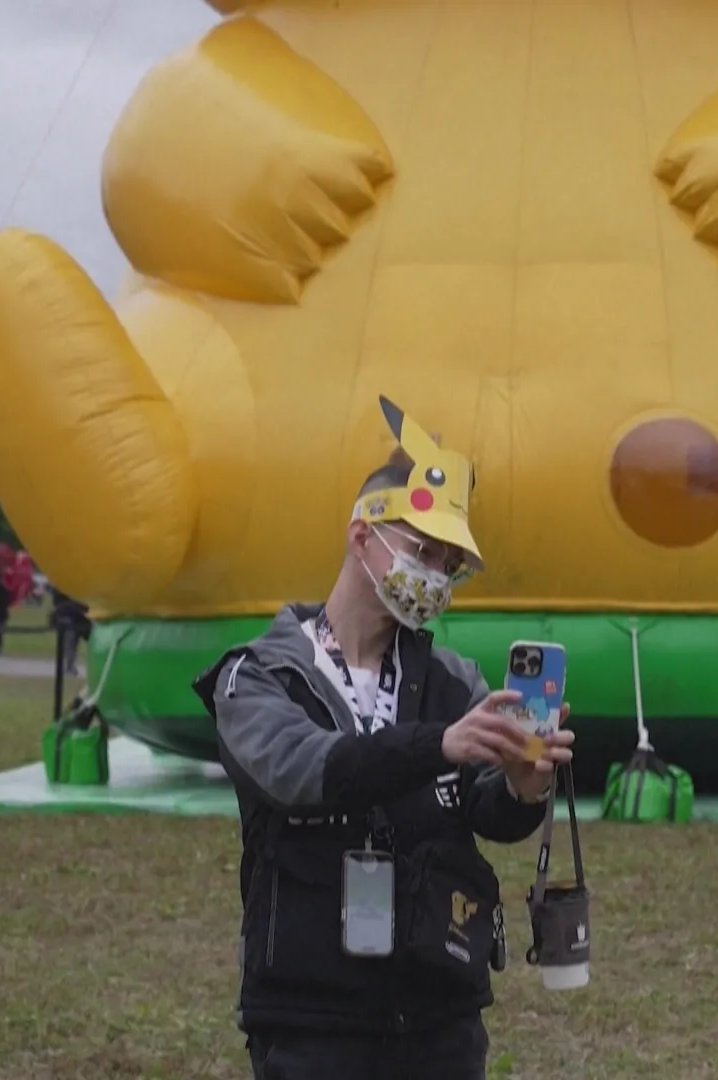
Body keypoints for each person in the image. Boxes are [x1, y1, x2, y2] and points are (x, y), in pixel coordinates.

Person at [192, 407, 576, 1080]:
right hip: (311, 1016)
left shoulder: (453, 679)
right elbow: (301, 771)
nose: (434, 576)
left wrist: (523, 788)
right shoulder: (256, 676)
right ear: (361, 535)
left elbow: (486, 809)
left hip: (440, 1011)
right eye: (422, 551)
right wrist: (437, 746)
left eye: (449, 565)